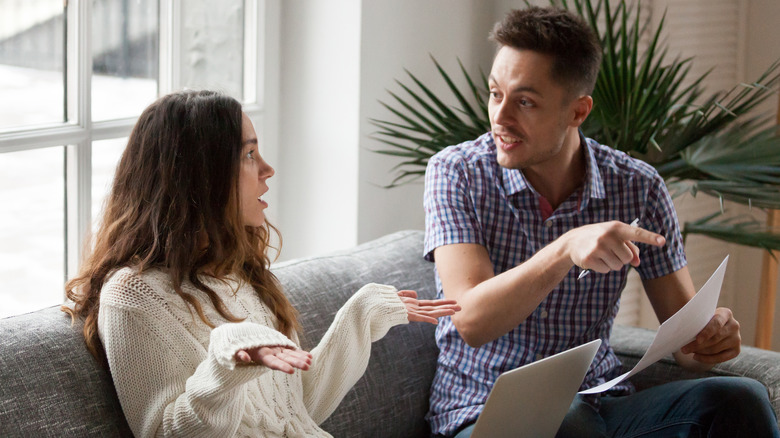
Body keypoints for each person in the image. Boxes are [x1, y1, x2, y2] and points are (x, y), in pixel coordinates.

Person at [424, 6, 779, 438]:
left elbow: (685, 342)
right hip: (482, 414)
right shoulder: (456, 172)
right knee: (567, 420)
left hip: (599, 403)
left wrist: (710, 340)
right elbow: (471, 321)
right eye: (496, 94)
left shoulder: (637, 187)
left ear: (577, 111)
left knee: (738, 399)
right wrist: (565, 248)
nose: (500, 117)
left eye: (525, 101)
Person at [63, 90, 460, 438]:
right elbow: (167, 432)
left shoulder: (235, 273)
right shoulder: (133, 295)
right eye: (250, 154)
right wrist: (224, 367)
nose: (268, 170)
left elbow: (294, 414)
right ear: (200, 176)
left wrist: (360, 316)